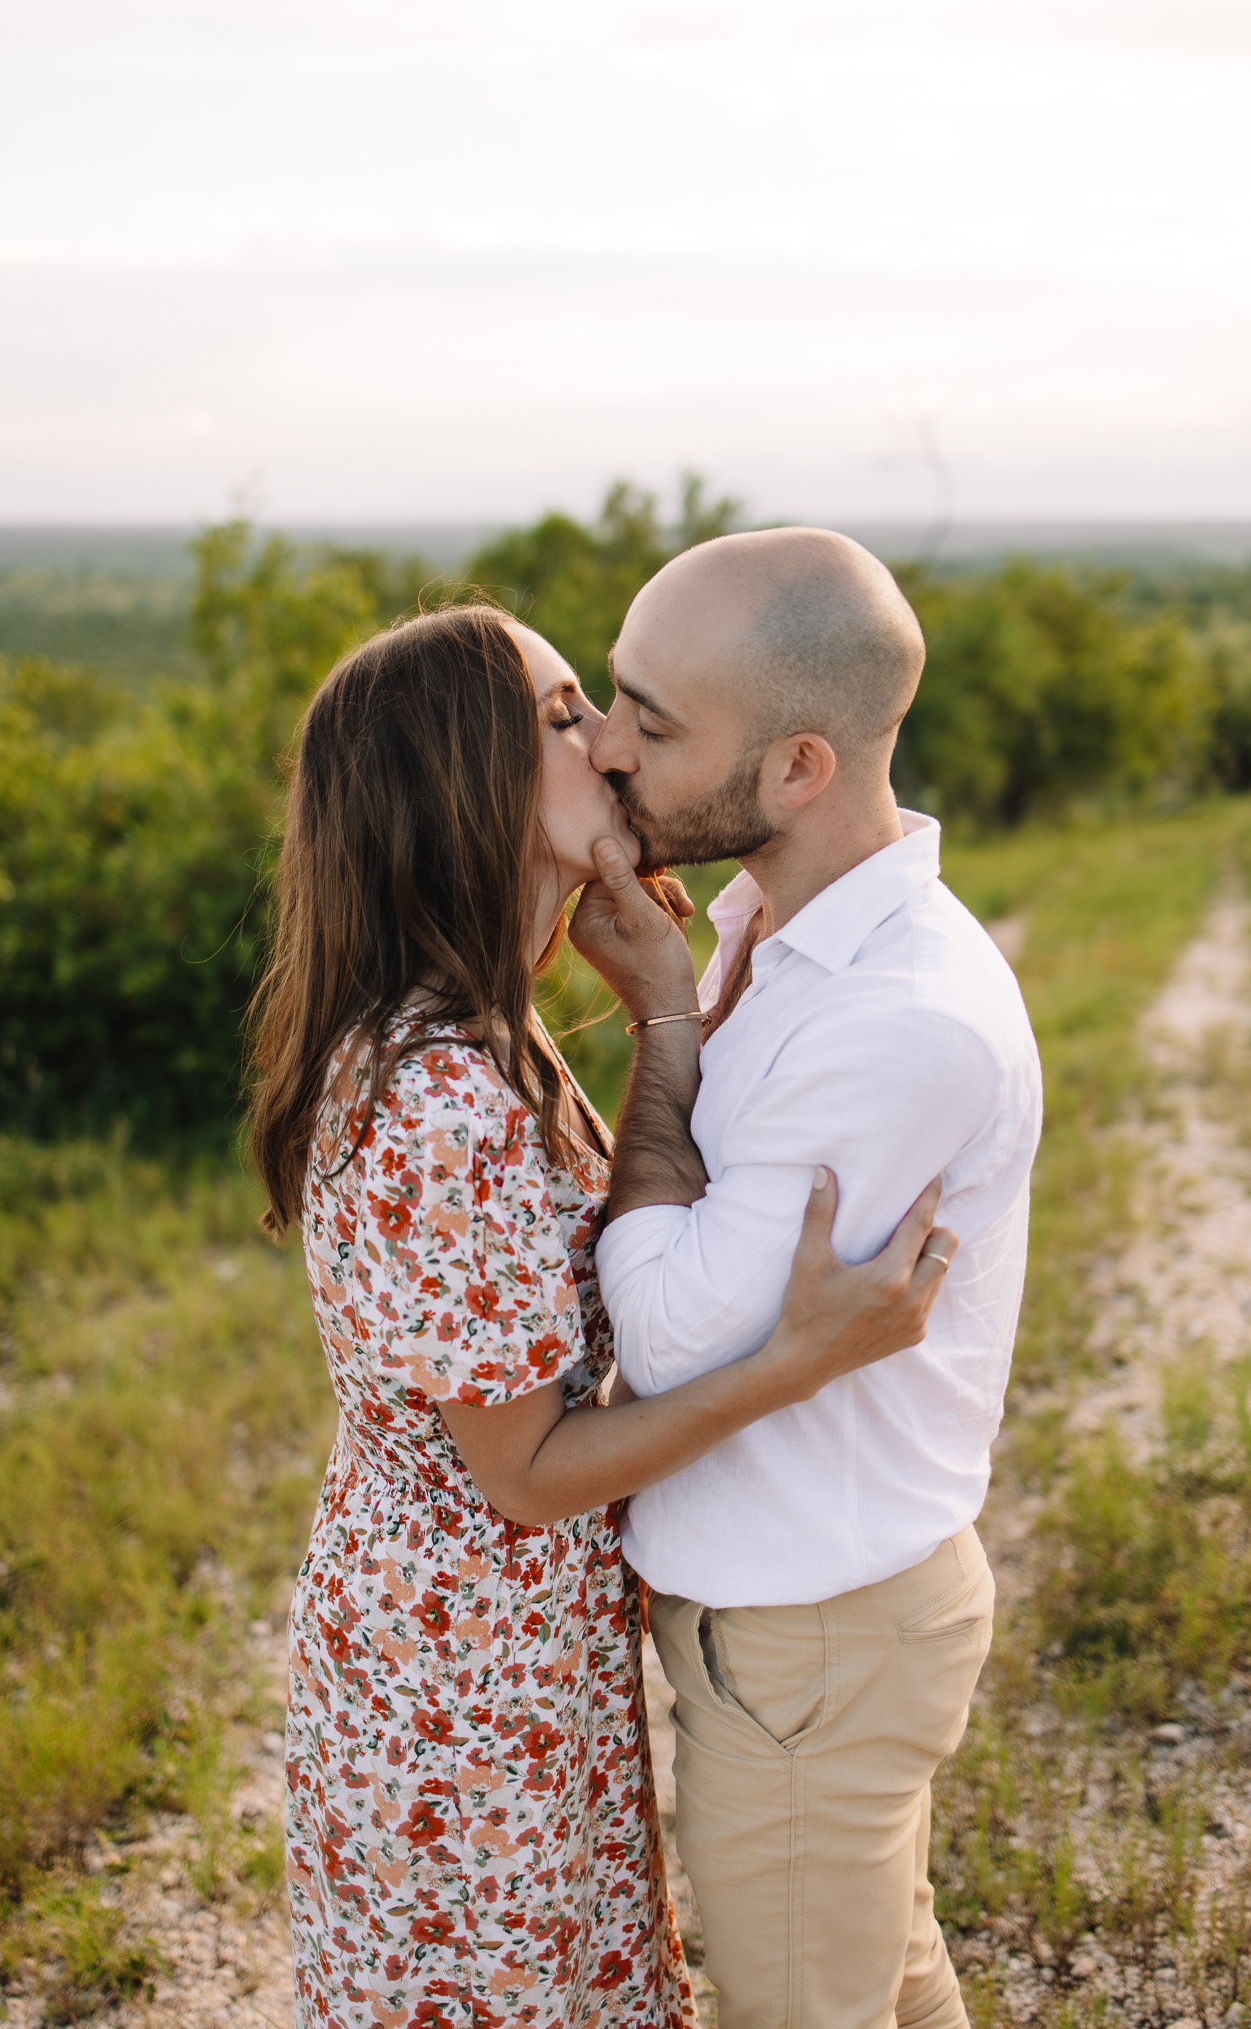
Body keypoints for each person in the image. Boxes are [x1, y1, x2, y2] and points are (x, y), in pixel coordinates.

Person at [245, 602, 959, 2029]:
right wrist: (795, 1361)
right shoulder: (437, 1094)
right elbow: (522, 1474)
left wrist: (663, 1021)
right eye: (566, 714)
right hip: (454, 1677)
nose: (612, 746)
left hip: (518, 1650)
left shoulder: (485, 1030)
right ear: (471, 784)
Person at [569, 528, 1043, 2029]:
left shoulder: (895, 1020)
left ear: (794, 771)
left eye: (650, 720)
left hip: (809, 1639)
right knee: (886, 1990)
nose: (601, 745)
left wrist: (658, 1024)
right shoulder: (774, 930)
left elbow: (666, 1328)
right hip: (812, 1618)